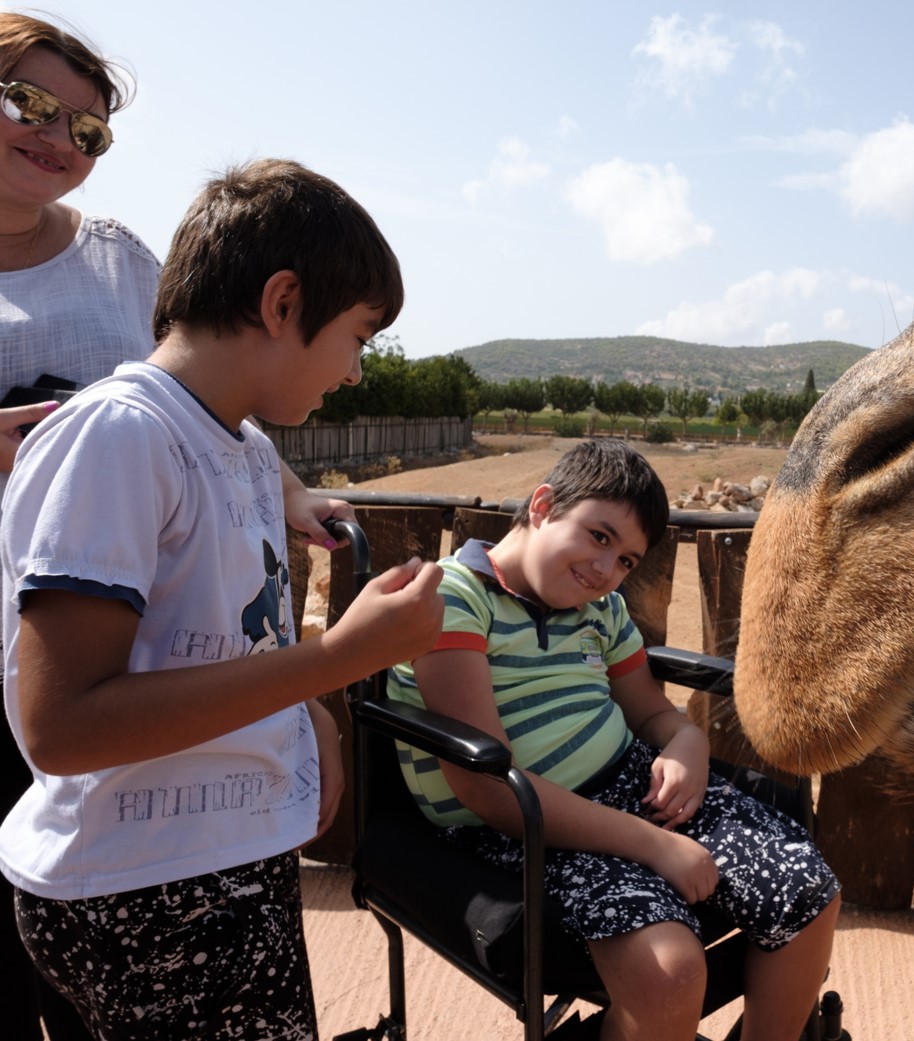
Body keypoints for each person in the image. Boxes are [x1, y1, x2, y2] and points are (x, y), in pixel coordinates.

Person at [0, 157, 447, 1041]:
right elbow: (61, 726)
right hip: (149, 894)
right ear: (283, 303)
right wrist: (339, 659)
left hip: (214, 865)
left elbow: (227, 642)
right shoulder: (120, 436)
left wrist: (308, 723)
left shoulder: (241, 449)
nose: (357, 372)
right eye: (358, 336)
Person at [388, 439, 842, 1041]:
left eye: (626, 560)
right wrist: (656, 846)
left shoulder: (599, 610)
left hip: (631, 786)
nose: (606, 571)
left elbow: (651, 714)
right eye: (599, 536)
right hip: (520, 827)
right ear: (544, 506)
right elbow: (489, 791)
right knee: (669, 974)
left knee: (810, 893)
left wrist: (687, 745)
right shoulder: (456, 598)